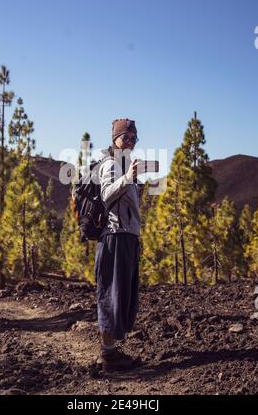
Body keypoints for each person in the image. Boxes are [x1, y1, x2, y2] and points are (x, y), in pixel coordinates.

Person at [94, 118, 144, 371]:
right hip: (115, 236)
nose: (131, 143)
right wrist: (127, 178)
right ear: (115, 139)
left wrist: (136, 183)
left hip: (126, 237)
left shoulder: (124, 166)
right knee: (111, 293)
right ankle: (108, 355)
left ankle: (111, 351)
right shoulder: (111, 164)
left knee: (122, 294)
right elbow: (106, 195)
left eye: (134, 139)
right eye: (126, 138)